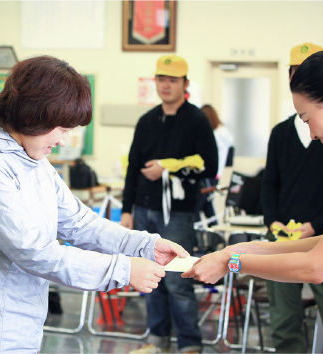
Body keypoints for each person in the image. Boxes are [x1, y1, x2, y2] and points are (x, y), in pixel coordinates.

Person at [0, 56, 188, 353]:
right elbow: (35, 252)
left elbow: (80, 222)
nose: (65, 141)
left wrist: (145, 245)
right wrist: (124, 270)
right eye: (62, 129)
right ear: (34, 115)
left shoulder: (33, 161)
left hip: (19, 336)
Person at [184, 50, 323, 352]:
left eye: (308, 119)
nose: (313, 134)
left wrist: (231, 262)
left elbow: (317, 265)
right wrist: (242, 249)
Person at [257, 42, 323, 354]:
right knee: (283, 321)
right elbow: (269, 183)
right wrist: (273, 222)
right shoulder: (280, 133)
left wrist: (315, 225)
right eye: (295, 74)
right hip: (281, 238)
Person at [122, 54, 217, 354]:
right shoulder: (147, 120)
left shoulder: (197, 119)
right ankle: (157, 341)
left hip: (177, 213)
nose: (165, 85)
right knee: (150, 279)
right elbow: (133, 168)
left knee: (178, 281)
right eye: (161, 79)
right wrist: (127, 210)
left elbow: (209, 164)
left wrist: (169, 166)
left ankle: (190, 344)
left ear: (185, 84)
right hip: (144, 210)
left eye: (172, 80)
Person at [198, 104, 232, 227]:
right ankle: (215, 238)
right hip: (216, 174)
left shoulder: (216, 135)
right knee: (208, 206)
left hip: (209, 174)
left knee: (199, 206)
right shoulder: (224, 132)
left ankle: (209, 238)